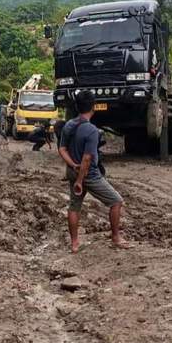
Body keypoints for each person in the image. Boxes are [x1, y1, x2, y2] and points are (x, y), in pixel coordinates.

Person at [58, 90, 128, 253]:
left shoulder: (68, 125)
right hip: (89, 175)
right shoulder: (92, 131)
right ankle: (116, 237)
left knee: (74, 207)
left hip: (74, 171)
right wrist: (80, 181)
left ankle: (75, 244)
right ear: (93, 107)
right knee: (116, 201)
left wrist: (73, 166)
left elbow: (62, 149)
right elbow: (87, 159)